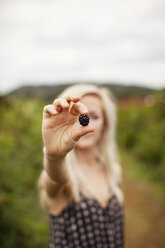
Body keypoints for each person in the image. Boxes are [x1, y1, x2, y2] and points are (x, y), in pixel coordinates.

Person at [38, 83, 125, 248]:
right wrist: (54, 156)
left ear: (105, 125)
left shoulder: (113, 171)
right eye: (76, 115)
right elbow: (55, 178)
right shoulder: (61, 177)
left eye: (95, 116)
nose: (84, 123)